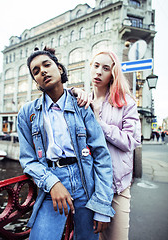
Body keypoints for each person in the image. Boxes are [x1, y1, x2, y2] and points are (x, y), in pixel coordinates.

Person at [17, 47, 115, 240]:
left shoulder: (81, 106)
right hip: (51, 181)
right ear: (35, 81)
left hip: (85, 181)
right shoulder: (27, 113)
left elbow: (101, 156)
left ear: (59, 69)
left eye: (47, 65)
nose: (42, 71)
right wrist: (52, 183)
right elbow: (28, 160)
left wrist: (103, 205)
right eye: (36, 71)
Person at [72, 50, 141, 240]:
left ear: (113, 73)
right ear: (90, 68)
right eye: (95, 66)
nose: (99, 72)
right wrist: (74, 91)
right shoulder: (82, 101)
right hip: (89, 186)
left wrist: (98, 123)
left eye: (105, 68)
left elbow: (131, 141)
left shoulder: (126, 102)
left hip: (117, 186)